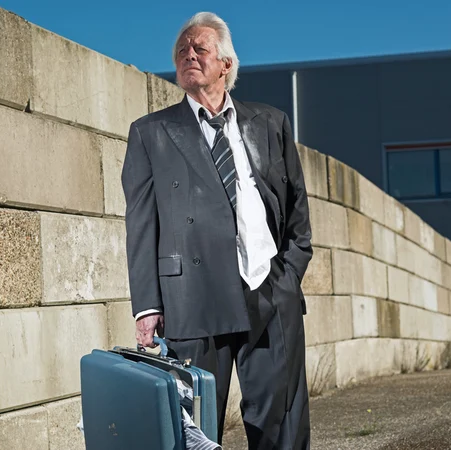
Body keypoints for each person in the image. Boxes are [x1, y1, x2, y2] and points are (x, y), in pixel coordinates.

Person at [121, 11, 312, 449]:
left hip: (268, 291)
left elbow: (296, 209)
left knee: (281, 424)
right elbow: (141, 223)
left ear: (225, 63)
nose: (188, 55)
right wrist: (147, 304)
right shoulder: (151, 132)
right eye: (181, 51)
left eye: (199, 48)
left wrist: (288, 275)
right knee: (194, 428)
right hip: (192, 296)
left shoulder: (270, 123)